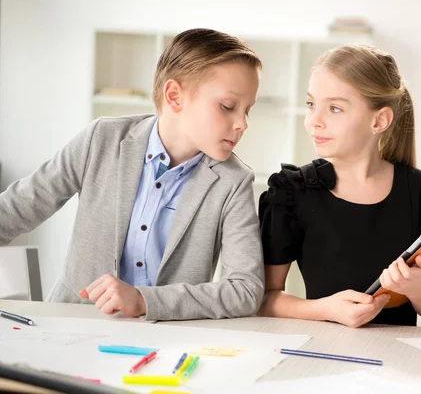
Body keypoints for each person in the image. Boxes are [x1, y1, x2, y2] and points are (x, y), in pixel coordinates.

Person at [0, 28, 265, 321]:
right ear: (174, 96)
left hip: (164, 343)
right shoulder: (102, 139)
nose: (242, 123)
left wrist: (144, 300)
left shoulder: (234, 181)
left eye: (247, 111)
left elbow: (245, 289)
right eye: (228, 107)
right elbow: (14, 210)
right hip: (69, 326)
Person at [258, 44, 421, 327]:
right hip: (323, 355)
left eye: (334, 108)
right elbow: (263, 299)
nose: (314, 121)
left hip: (399, 362)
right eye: (311, 104)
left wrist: (416, 287)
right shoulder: (291, 192)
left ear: (380, 120)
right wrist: (325, 309)